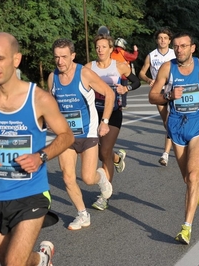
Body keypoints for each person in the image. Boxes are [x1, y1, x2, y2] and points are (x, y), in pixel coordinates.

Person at [0, 32, 75, 266]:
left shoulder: (39, 99)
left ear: (16, 59)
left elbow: (67, 135)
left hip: (31, 192)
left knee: (13, 263)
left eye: (0, 58)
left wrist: (41, 156)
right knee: (12, 262)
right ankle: (41, 259)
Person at [149, 31, 199, 245]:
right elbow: (152, 95)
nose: (179, 50)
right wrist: (168, 95)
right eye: (176, 46)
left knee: (190, 177)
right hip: (176, 126)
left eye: (183, 46)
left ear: (193, 47)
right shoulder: (167, 68)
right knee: (187, 178)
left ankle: (186, 228)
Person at [47, 38, 115, 230]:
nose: (60, 61)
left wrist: (105, 122)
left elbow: (109, 94)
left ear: (73, 56)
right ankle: (82, 214)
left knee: (87, 178)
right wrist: (51, 121)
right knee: (68, 177)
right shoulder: (52, 78)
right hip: (66, 135)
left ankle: (101, 177)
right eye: (56, 57)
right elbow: (51, 104)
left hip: (88, 132)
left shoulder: (84, 73)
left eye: (64, 57)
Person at [85, 34, 141, 211]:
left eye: (103, 47)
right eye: (97, 47)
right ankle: (117, 158)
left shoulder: (120, 66)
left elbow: (136, 81)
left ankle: (104, 195)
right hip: (94, 114)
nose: (100, 50)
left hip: (113, 114)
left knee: (104, 151)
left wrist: (126, 88)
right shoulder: (88, 68)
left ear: (111, 49)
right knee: (103, 154)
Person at [139, 28, 176, 166]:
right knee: (167, 123)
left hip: (173, 90)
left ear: (169, 40)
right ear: (157, 40)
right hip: (159, 92)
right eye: (160, 38)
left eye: (165, 38)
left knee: (172, 121)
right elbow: (142, 73)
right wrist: (149, 80)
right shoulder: (151, 55)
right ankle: (172, 148)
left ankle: (165, 154)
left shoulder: (174, 54)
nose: (162, 40)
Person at [111, 38, 139, 108]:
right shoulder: (122, 52)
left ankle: (114, 103)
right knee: (124, 89)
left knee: (114, 90)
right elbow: (133, 57)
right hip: (124, 75)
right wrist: (135, 51)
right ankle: (123, 104)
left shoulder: (111, 53)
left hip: (113, 75)